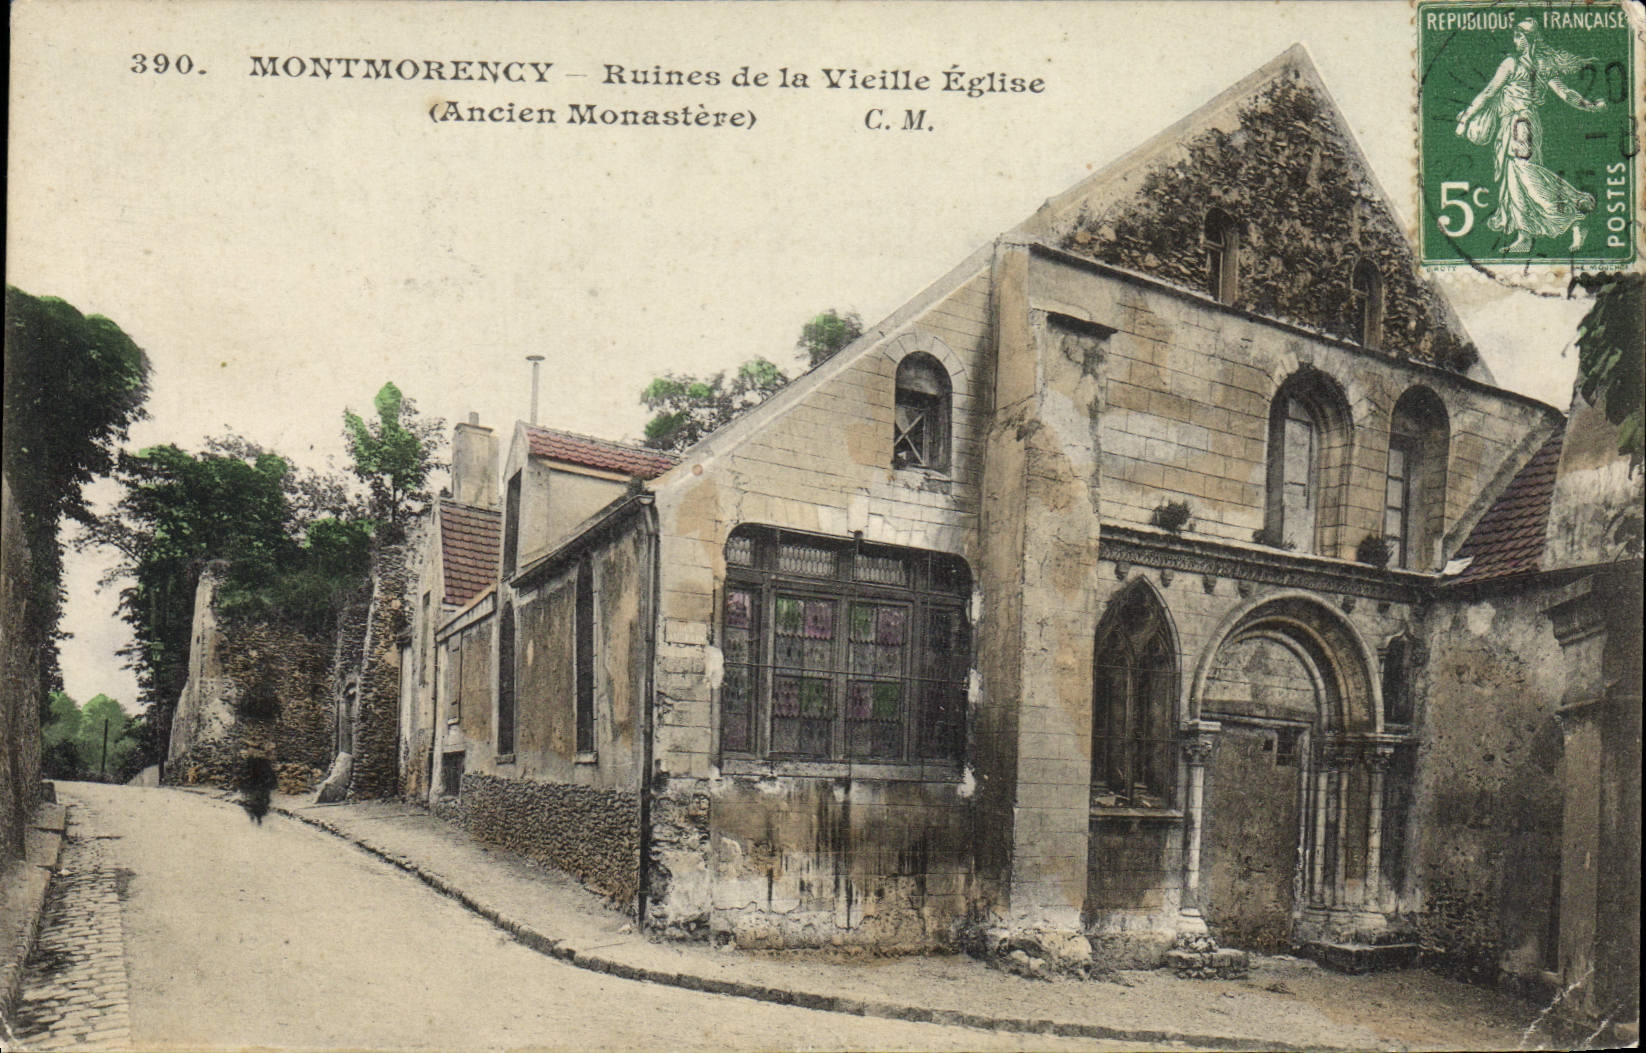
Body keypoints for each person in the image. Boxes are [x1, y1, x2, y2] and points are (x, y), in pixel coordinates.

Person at [1454, 19, 1606, 253]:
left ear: (1529, 39)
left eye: (1519, 36)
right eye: (1515, 36)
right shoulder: (1537, 64)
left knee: (1525, 174)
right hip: (1517, 124)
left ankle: (1576, 213)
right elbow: (1565, 93)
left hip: (1520, 124)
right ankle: (1524, 236)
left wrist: (1466, 117)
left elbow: (1489, 92)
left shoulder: (1515, 64)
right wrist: (1590, 105)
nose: (1515, 41)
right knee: (1514, 179)